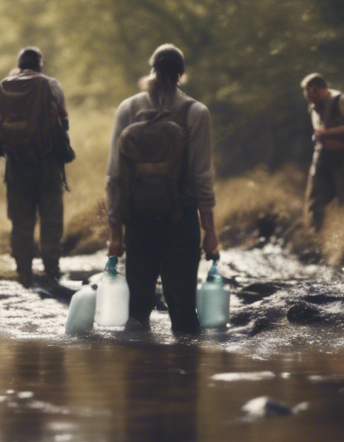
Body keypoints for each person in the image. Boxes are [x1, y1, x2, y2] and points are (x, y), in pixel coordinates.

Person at [104, 44, 219, 334]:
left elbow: (115, 176)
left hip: (138, 219)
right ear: (182, 73)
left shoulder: (129, 108)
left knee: (137, 311)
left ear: (152, 69)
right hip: (181, 219)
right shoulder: (196, 112)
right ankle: (186, 369)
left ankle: (136, 369)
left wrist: (115, 235)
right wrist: (210, 232)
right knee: (183, 309)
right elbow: (202, 176)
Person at [0, 47, 70, 288]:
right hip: (48, 164)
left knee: (21, 222)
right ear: (39, 65)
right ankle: (52, 273)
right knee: (51, 220)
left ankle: (24, 275)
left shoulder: (5, 86)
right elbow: (63, 123)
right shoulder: (51, 85)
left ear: (19, 65)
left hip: (16, 165)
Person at [301, 73, 344, 231]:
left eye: (312, 92)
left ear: (322, 89)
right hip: (322, 156)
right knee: (315, 201)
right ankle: (315, 238)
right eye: (307, 93)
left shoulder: (341, 100)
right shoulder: (314, 106)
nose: (310, 97)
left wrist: (326, 133)